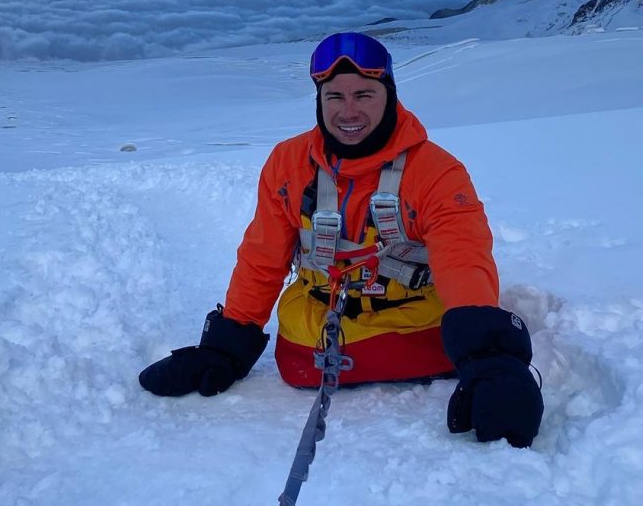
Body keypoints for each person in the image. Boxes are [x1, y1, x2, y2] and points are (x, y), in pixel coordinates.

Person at [139, 32, 543, 448]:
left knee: (305, 359)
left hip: (414, 321)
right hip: (317, 326)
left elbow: (463, 257)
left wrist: (491, 361)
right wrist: (226, 347)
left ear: (389, 94)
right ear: (319, 100)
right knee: (296, 348)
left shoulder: (436, 171)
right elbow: (263, 256)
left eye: (364, 94)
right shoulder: (288, 163)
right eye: (334, 97)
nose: (349, 111)